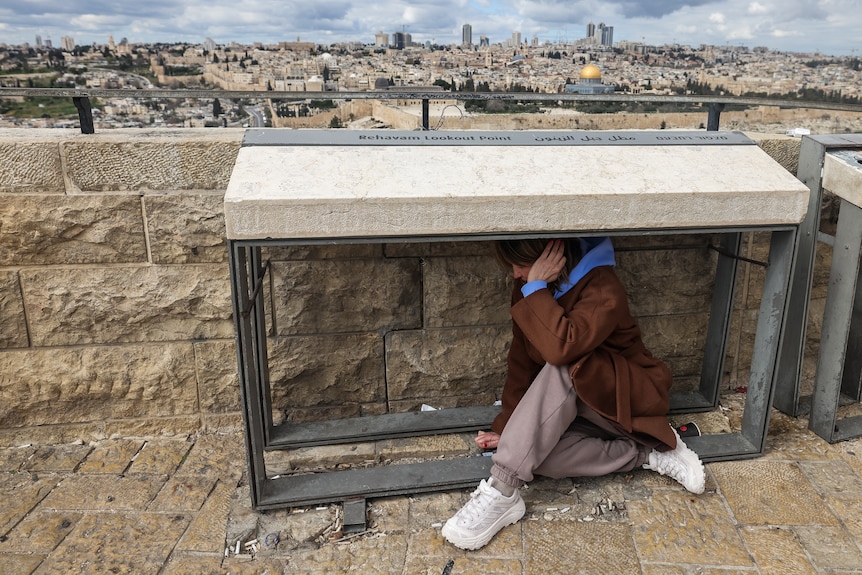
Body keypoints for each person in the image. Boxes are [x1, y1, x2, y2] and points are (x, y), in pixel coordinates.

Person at [441, 237, 705, 551]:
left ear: (553, 255)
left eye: (521, 264)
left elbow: (561, 348)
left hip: (629, 401)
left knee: (562, 365)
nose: (515, 274)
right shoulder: (531, 285)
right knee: (533, 457)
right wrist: (510, 429)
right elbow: (521, 362)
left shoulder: (602, 287)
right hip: (582, 409)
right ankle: (646, 454)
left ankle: (502, 490)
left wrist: (536, 287)